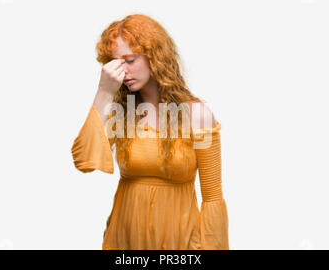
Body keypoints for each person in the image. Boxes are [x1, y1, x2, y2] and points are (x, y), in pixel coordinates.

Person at [71, 14, 229, 250]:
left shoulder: (197, 115)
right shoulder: (121, 114)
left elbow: (213, 197)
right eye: (115, 63)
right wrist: (104, 93)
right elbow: (84, 161)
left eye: (130, 60)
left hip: (180, 244)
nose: (122, 71)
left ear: (155, 58)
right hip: (124, 242)